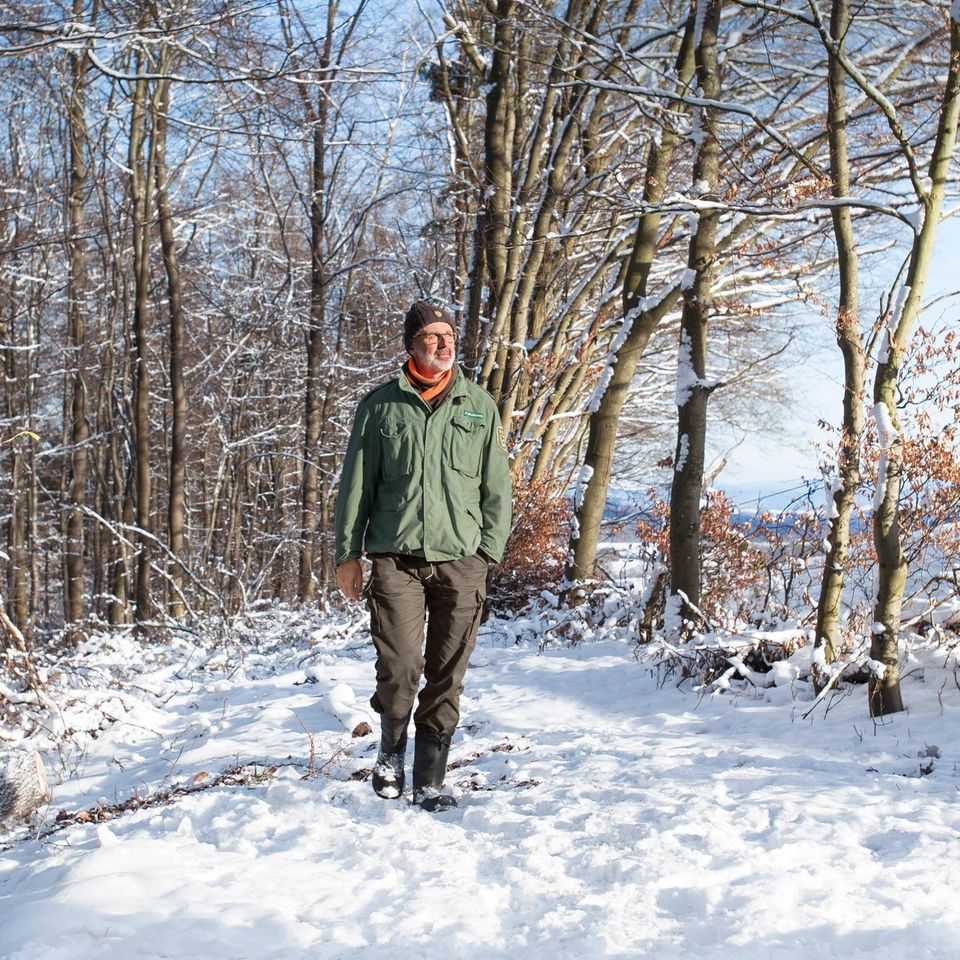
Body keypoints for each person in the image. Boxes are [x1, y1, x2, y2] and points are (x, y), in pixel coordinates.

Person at [334, 301, 512, 811]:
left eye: (448, 335)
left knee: (446, 671)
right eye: (431, 336)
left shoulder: (478, 406)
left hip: (463, 558)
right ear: (411, 345)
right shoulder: (380, 407)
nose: (443, 343)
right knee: (400, 664)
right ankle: (390, 754)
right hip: (396, 559)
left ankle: (430, 778)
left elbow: (496, 488)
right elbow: (356, 486)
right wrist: (349, 554)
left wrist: (487, 553)